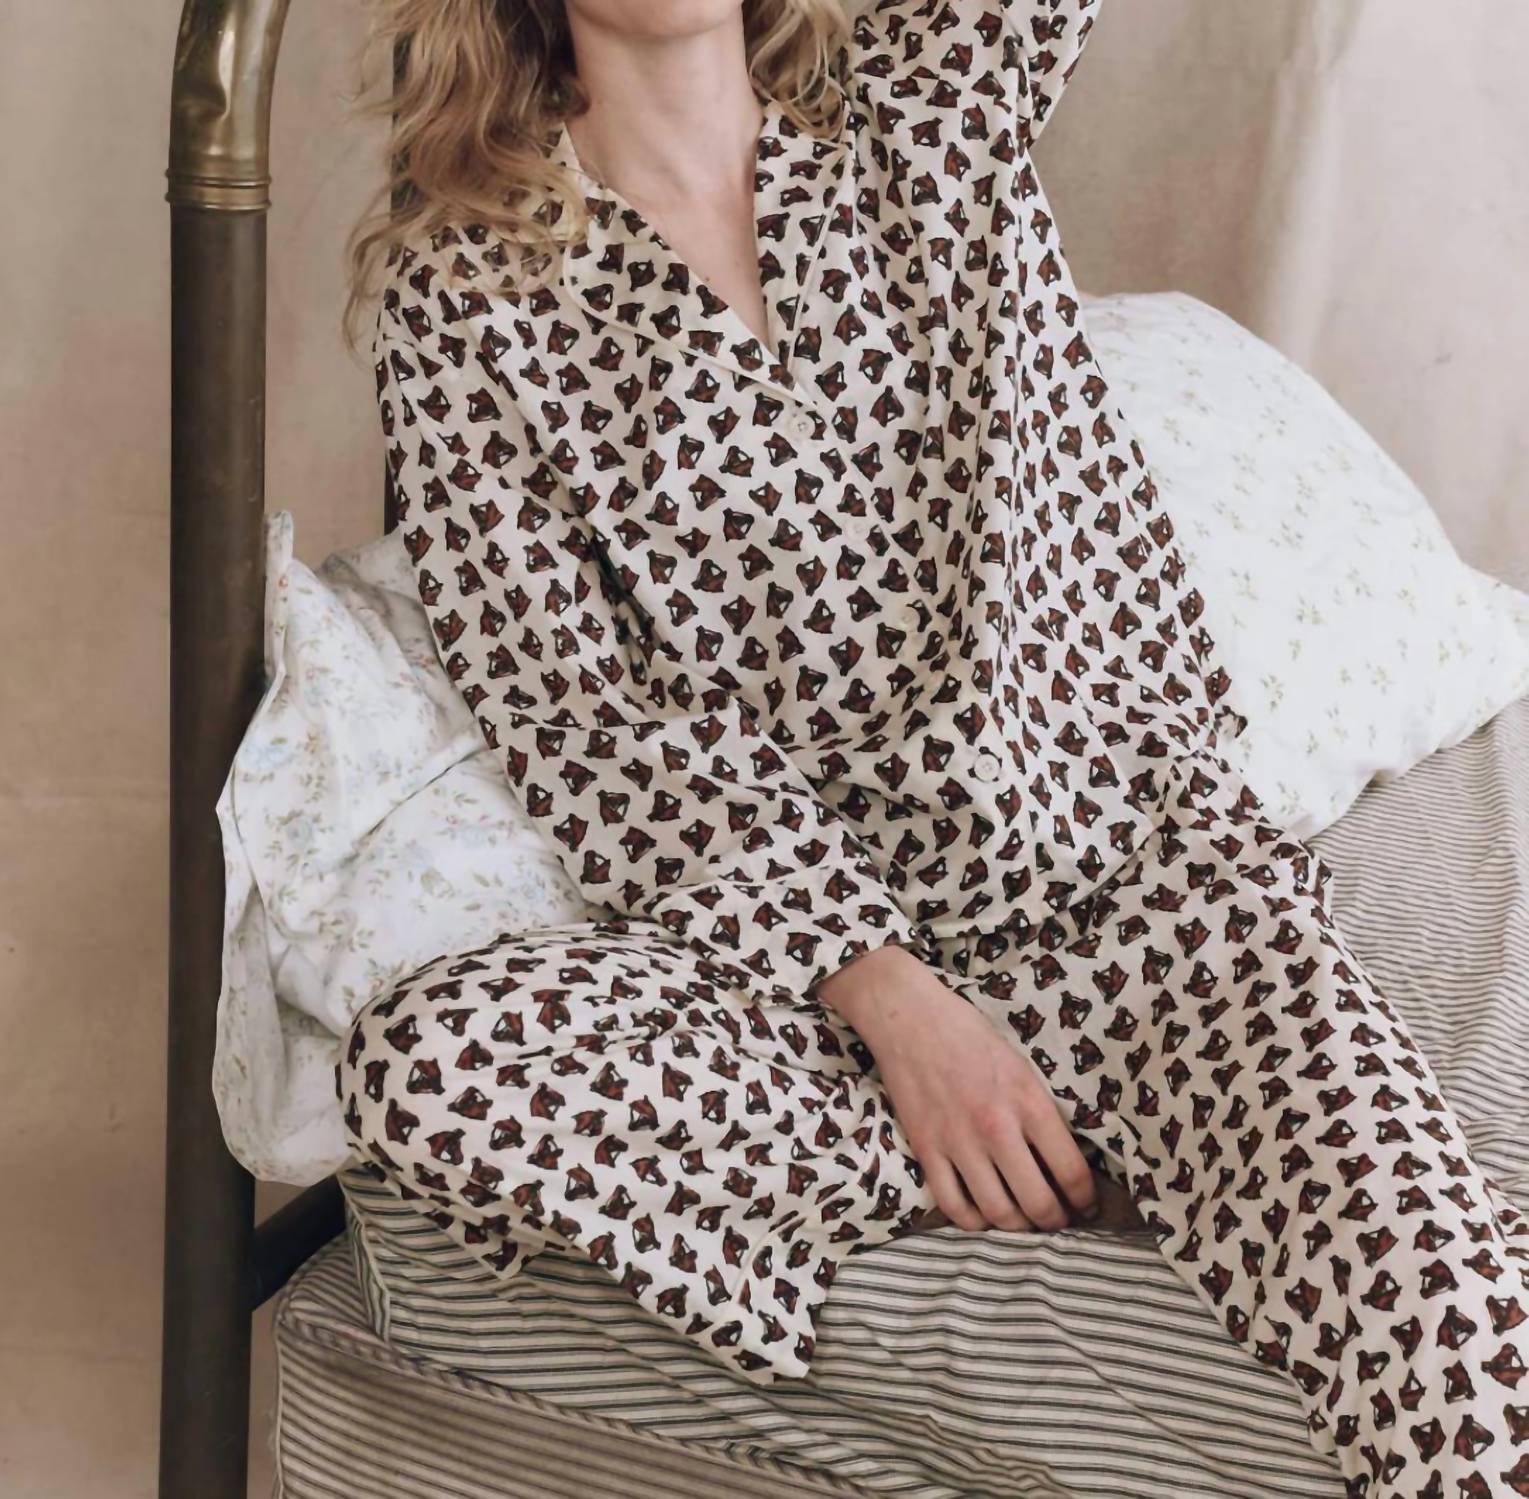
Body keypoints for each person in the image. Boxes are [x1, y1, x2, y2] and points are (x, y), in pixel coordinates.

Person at [334, 1, 1529, 1493]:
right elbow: (584, 725)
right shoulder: (466, 296)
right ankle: (1019, 1146)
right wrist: (897, 1007)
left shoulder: (933, 98)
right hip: (820, 996)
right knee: (434, 1064)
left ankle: (1066, 1159)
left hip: (1148, 896)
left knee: (1464, 1370)